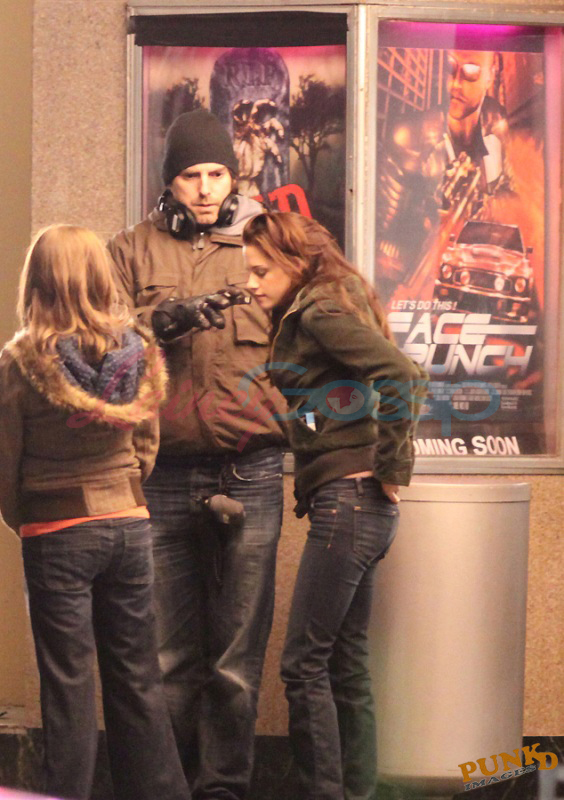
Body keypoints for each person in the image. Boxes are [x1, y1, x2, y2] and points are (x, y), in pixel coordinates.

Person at [108, 109, 287, 800]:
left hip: (253, 470)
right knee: (166, 657)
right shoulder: (130, 250)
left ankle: (224, 791)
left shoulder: (270, 245)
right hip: (162, 473)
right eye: (191, 175)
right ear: (169, 182)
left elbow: (319, 336)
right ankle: (169, 789)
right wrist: (159, 321)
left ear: (234, 176)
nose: (206, 188)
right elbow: (93, 341)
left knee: (237, 661)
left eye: (217, 173)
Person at [242, 211, 429, 800]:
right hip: (360, 507)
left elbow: (403, 376)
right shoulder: (332, 300)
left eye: (261, 270)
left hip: (349, 502)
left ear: (296, 262)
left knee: (303, 664)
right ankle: (357, 791)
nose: (251, 283)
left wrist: (393, 466)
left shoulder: (319, 311)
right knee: (345, 663)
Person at [0, 225, 190, 800]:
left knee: (69, 687)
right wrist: (122, 493)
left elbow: (5, 460)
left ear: (37, 280)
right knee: (138, 678)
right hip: (128, 522)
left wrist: (24, 517)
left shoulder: (21, 361)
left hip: (56, 532)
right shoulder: (137, 351)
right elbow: (146, 445)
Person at [377, 48, 514, 297]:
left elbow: (507, 190)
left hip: (474, 269)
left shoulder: (496, 121)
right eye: (449, 68)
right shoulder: (408, 137)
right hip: (422, 282)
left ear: (490, 75)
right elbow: (380, 240)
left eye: (470, 72)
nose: (455, 84)